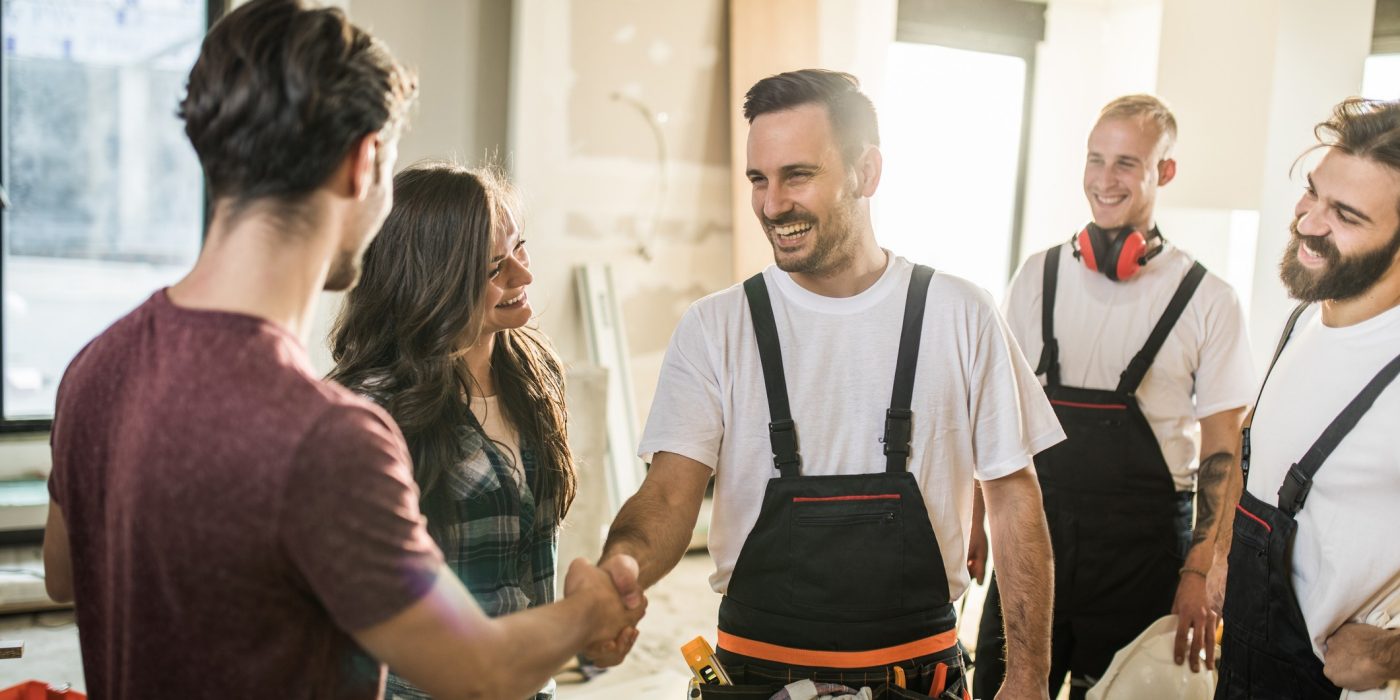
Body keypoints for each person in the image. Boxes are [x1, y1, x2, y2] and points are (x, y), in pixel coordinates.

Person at [41, 2, 641, 698]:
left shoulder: (95, 367)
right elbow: (482, 670)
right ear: (364, 164)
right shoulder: (331, 436)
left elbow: (64, 574)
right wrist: (591, 610)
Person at [595, 68, 1062, 699]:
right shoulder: (716, 326)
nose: (771, 204)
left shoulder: (961, 314)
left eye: (798, 175)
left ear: (867, 172)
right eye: (759, 179)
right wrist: (618, 568)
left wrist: (1028, 678)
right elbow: (670, 495)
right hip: (756, 680)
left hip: (919, 678)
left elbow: (1012, 497)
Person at [972, 94, 1257, 700]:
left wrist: (1200, 568)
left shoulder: (1207, 299)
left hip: (1144, 553)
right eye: (1095, 159)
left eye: (1127, 163)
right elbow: (992, 413)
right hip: (1034, 540)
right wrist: (973, 517)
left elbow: (1224, 449)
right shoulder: (1037, 277)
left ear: (1166, 172)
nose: (1105, 180)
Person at [328, 162, 582, 700]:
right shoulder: (370, 411)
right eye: (494, 268)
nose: (524, 276)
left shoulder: (535, 374)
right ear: (433, 282)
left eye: (520, 248)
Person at [1212, 97, 1400, 699]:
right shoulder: (1301, 322)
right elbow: (1259, 455)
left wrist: (1393, 653)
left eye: (1344, 214)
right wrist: (1220, 556)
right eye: (1313, 192)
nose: (1308, 221)